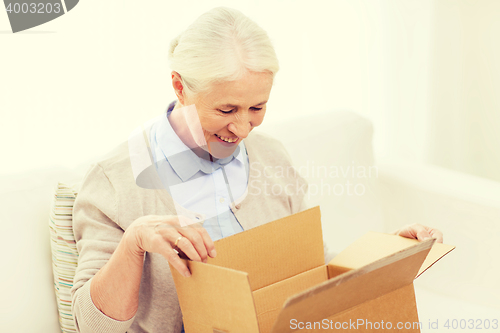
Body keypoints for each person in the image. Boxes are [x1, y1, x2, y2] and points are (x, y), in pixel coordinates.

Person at [70, 7, 443, 333]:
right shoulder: (115, 182)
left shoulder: (272, 157)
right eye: (227, 110)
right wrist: (134, 243)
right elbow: (91, 327)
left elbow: (313, 276)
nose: (244, 129)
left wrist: (390, 255)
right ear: (179, 86)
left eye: (258, 108)